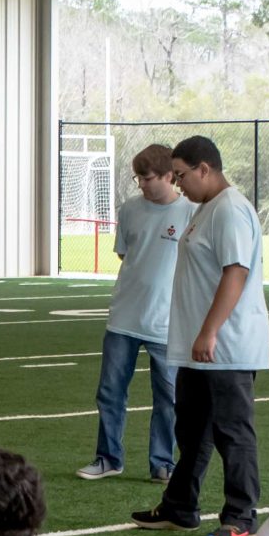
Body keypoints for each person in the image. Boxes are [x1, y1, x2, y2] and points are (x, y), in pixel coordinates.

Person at [131, 135, 269, 536]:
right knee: (192, 431)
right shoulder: (206, 208)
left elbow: (236, 272)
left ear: (204, 169)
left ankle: (241, 515)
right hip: (200, 348)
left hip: (226, 346)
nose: (178, 183)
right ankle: (179, 506)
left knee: (232, 432)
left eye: (181, 175)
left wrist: (210, 330)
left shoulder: (229, 210)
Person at [81, 144, 182, 483]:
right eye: (138, 178)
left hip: (167, 322)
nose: (141, 184)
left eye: (147, 178)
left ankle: (163, 463)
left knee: (168, 397)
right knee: (110, 392)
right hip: (124, 318)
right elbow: (126, 255)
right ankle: (108, 458)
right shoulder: (129, 209)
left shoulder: (190, 212)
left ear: (168, 176)